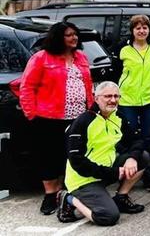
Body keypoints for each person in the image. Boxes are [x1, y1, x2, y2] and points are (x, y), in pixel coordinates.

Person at [20, 21, 93, 215]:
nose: (74, 38)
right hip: (48, 117)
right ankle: (50, 194)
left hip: (78, 117)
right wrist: (31, 114)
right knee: (49, 156)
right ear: (58, 37)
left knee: (71, 155)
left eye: (75, 34)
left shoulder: (81, 57)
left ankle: (65, 192)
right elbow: (27, 87)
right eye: (69, 35)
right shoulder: (41, 58)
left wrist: (91, 110)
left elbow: (88, 84)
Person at [56, 81, 147, 225]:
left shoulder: (118, 117)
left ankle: (121, 197)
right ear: (96, 98)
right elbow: (76, 161)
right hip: (84, 179)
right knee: (109, 217)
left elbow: (137, 140)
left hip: (106, 171)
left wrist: (132, 158)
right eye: (108, 96)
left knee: (142, 157)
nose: (113, 100)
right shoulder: (82, 122)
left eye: (116, 96)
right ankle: (68, 198)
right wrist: (113, 173)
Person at [114, 14, 150, 191]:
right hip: (127, 99)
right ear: (132, 30)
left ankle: (148, 175)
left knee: (149, 137)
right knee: (130, 137)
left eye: (144, 28)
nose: (141, 31)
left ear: (149, 30)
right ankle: (127, 174)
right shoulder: (122, 48)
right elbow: (115, 73)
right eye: (138, 28)